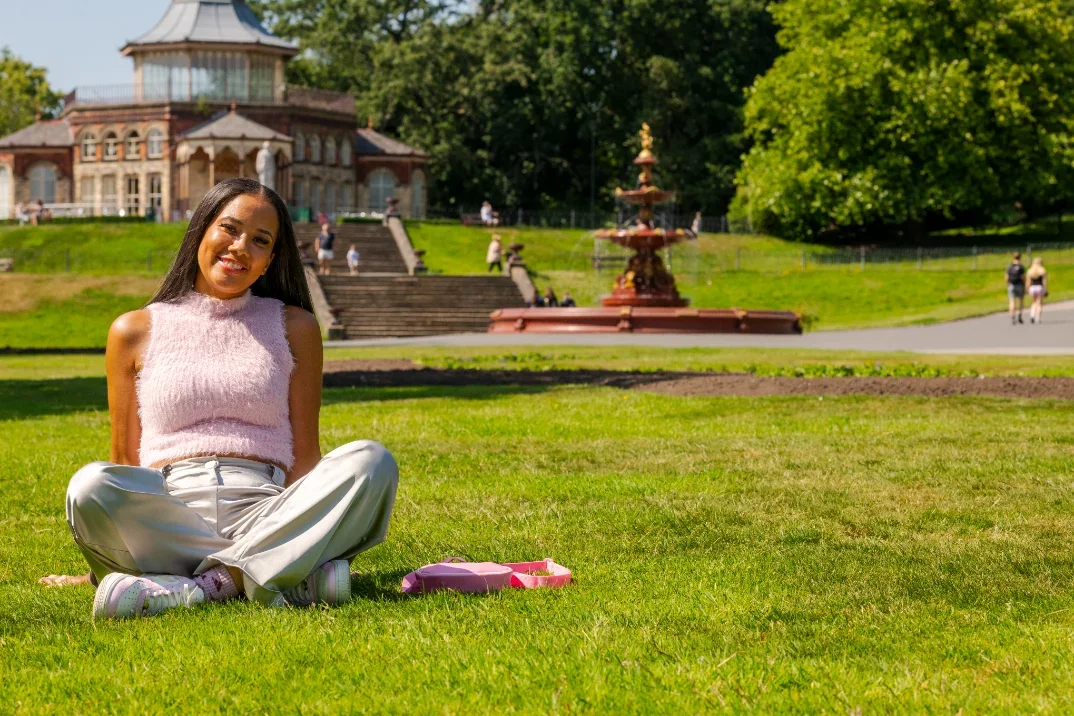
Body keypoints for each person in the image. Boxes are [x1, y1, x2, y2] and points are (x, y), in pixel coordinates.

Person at [40, 178, 399, 620]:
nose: (240, 247)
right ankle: (285, 570)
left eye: (260, 241)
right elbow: (124, 460)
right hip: (169, 517)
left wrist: (299, 522)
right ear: (201, 231)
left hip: (266, 509)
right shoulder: (132, 330)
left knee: (372, 461)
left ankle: (209, 584)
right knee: (90, 485)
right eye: (229, 229)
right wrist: (98, 566)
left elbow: (305, 457)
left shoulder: (295, 327)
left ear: (269, 261)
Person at [1005, 252, 1027, 325]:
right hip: (1019, 285)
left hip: (1011, 285)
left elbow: (1006, 277)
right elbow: (1023, 277)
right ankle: (1020, 316)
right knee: (1020, 301)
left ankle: (1012, 317)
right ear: (1020, 257)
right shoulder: (1021, 267)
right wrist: (1025, 285)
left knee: (1012, 301)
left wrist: (1008, 284)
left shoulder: (1009, 267)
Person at [1027, 257, 1048, 324]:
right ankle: (1037, 317)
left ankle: (1032, 314)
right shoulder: (1042, 270)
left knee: (1034, 302)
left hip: (1032, 287)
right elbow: (1044, 281)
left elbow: (1028, 281)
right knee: (1039, 303)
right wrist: (1046, 289)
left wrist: (1027, 289)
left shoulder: (1030, 270)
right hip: (1039, 286)